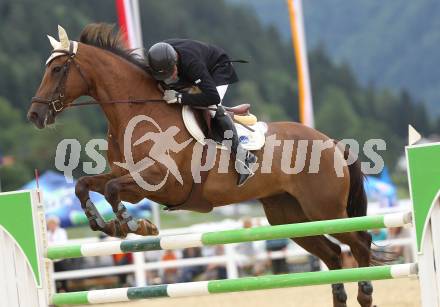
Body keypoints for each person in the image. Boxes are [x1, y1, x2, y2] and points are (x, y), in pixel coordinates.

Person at [146, 39, 257, 186]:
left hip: (218, 68)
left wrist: (180, 98)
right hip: (195, 71)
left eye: (170, 73)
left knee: (212, 108)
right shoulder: (160, 56)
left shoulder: (192, 64)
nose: (169, 78)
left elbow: (212, 97)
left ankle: (244, 157)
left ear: (175, 62)